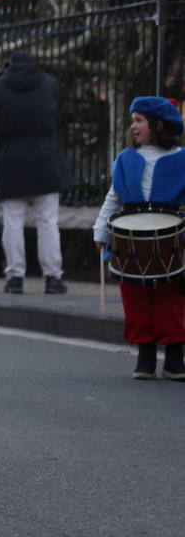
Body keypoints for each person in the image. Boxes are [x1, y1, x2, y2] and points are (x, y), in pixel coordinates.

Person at [92, 97, 185, 381]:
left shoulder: (181, 158)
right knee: (135, 297)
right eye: (133, 121)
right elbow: (113, 198)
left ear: (158, 125)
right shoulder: (125, 159)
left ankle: (174, 358)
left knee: (172, 297)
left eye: (139, 121)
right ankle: (145, 356)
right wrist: (99, 231)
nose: (133, 127)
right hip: (130, 238)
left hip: (171, 236)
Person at [0, 50, 68, 294]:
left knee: (12, 221)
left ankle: (15, 277)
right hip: (45, 158)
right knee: (48, 221)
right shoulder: (49, 84)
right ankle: (53, 278)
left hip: (11, 159)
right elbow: (55, 114)